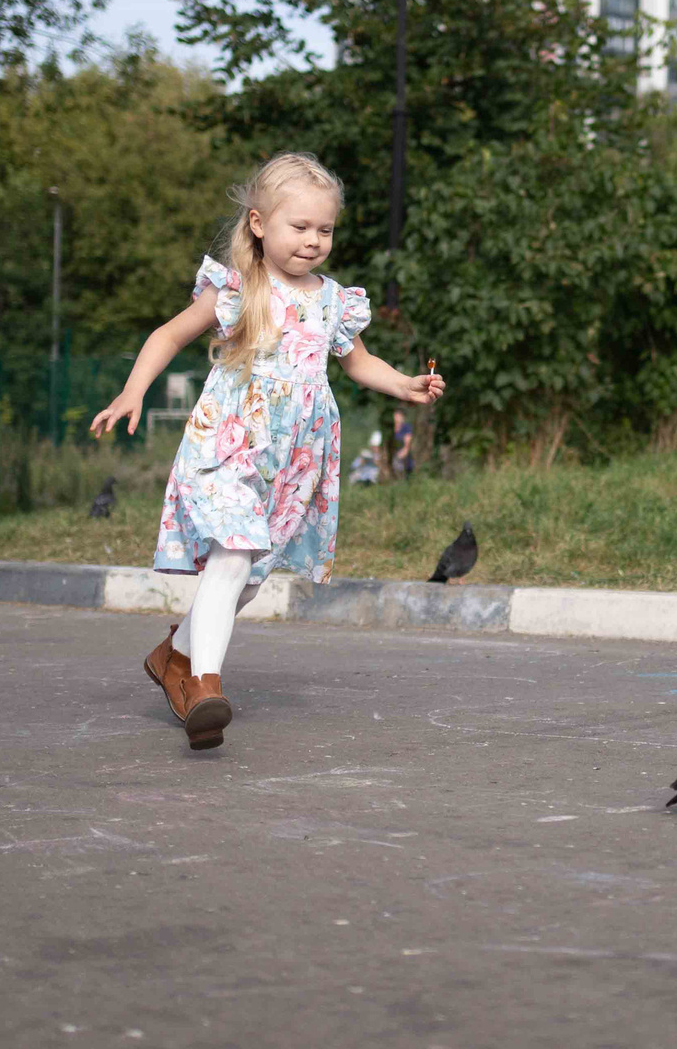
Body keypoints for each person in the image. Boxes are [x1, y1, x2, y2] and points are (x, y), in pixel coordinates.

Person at [88, 153, 443, 749]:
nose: (312, 241)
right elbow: (168, 335)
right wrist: (133, 390)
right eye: (298, 227)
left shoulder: (333, 300)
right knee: (233, 556)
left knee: (248, 577)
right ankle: (203, 686)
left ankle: (172, 656)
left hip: (295, 460)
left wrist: (404, 384)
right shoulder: (236, 287)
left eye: (324, 230)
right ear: (258, 223)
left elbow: (357, 363)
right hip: (231, 442)